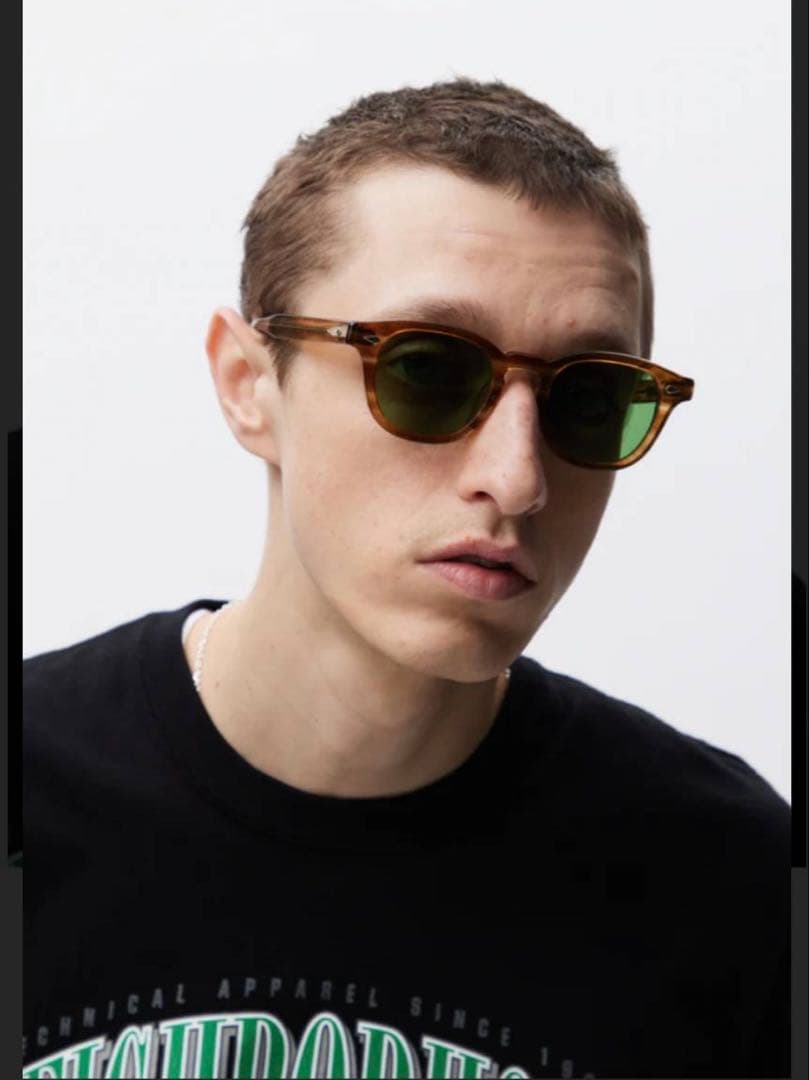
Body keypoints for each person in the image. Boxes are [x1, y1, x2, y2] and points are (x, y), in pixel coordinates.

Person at [23, 78, 788, 1080]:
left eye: (590, 399)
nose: (515, 479)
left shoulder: (730, 890)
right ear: (249, 384)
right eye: (427, 370)